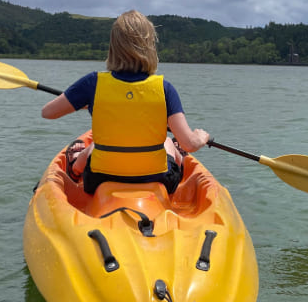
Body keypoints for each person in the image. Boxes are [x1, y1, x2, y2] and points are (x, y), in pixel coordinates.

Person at [41, 10, 210, 194]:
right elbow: (189, 144)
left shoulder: (92, 83)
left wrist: (83, 100)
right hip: (159, 179)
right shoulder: (164, 88)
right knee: (168, 142)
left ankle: (75, 168)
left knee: (95, 145)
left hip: (98, 180)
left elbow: (48, 112)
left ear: (113, 47)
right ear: (150, 46)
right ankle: (178, 164)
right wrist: (201, 136)